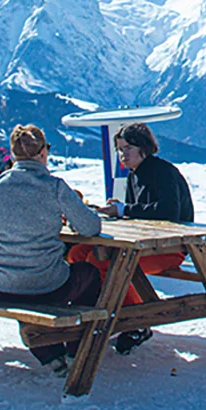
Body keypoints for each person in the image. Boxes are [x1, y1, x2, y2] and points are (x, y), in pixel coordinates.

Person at [0, 125, 104, 375]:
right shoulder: (54, 186)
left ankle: (50, 354)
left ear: (13, 154)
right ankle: (75, 346)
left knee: (21, 289)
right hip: (45, 284)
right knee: (88, 274)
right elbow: (91, 227)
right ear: (42, 153)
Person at [79, 122, 193, 353]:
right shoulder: (134, 176)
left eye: (127, 148)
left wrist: (125, 210)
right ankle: (97, 310)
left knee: (104, 263)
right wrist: (120, 211)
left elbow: (168, 212)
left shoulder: (163, 172)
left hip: (169, 248)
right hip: (145, 245)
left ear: (144, 147)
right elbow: (139, 213)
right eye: (120, 149)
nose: (123, 154)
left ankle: (136, 322)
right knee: (78, 254)